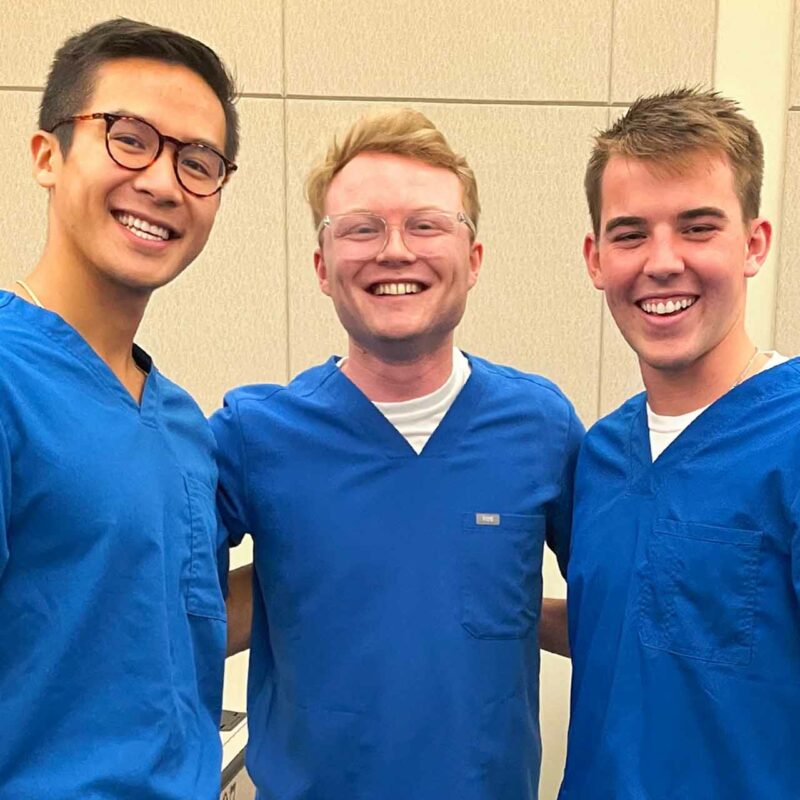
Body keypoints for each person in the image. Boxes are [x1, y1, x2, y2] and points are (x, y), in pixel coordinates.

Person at [213, 108, 583, 799]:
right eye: (361, 227)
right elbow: (155, 601)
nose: (394, 250)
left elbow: (621, 607)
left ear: (472, 261)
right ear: (323, 268)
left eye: (426, 224)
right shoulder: (252, 434)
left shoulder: (542, 427)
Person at [0, 18, 239, 798]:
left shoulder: (181, 425)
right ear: (47, 154)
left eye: (198, 161)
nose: (165, 183)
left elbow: (162, 628)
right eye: (129, 138)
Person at [559, 88, 799, 799]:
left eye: (698, 228)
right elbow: (637, 622)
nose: (662, 262)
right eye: (631, 234)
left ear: (753, 243)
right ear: (596, 257)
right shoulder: (601, 456)